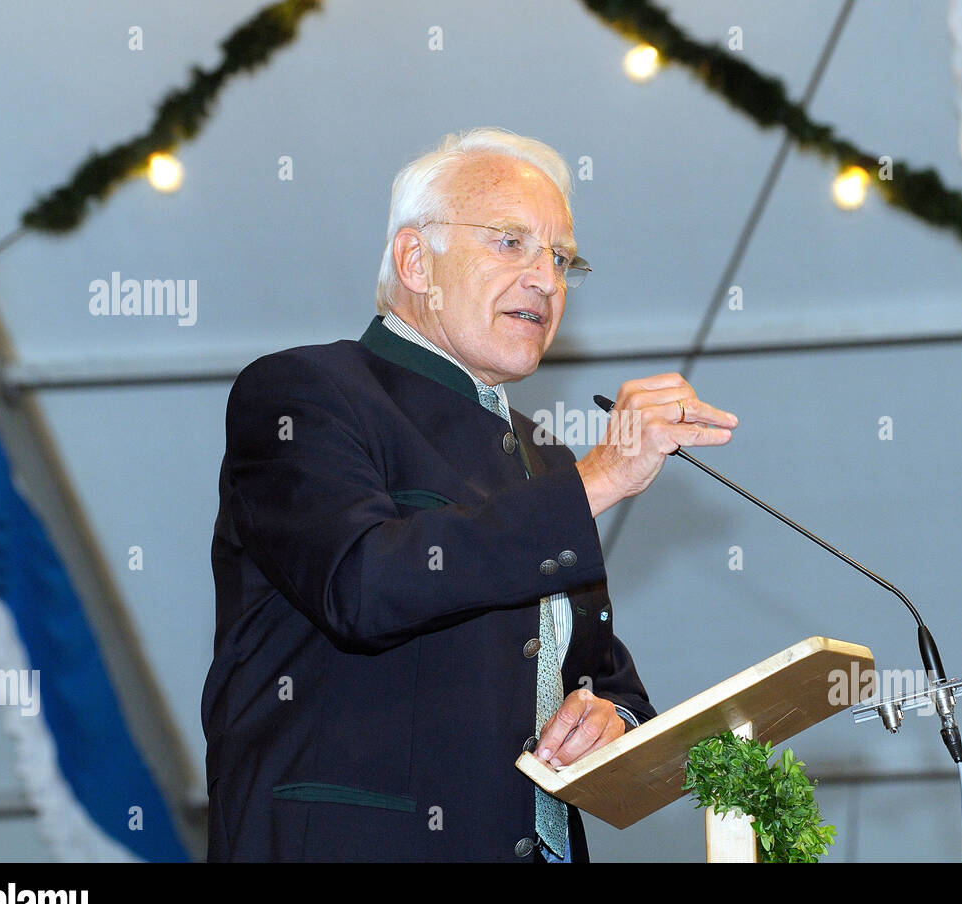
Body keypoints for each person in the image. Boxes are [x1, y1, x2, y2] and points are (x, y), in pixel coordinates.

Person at [202, 127, 738, 862]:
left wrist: (609, 719)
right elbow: (363, 584)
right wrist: (601, 476)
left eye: (560, 258)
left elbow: (605, 678)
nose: (547, 280)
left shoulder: (543, 457)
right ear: (417, 260)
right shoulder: (306, 393)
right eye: (511, 243)